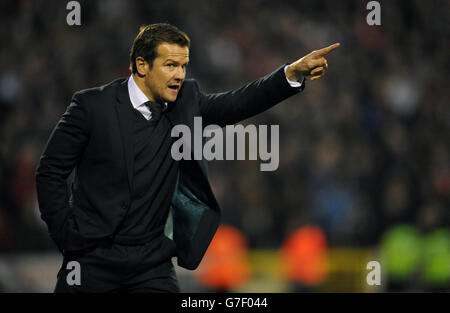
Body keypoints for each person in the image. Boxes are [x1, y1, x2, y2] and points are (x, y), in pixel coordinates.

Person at [35, 23, 339, 293]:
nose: (180, 75)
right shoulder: (91, 107)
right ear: (142, 66)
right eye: (170, 65)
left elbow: (238, 103)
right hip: (91, 261)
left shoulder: (185, 101)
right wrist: (67, 235)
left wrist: (290, 74)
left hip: (150, 265)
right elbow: (49, 171)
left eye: (183, 66)